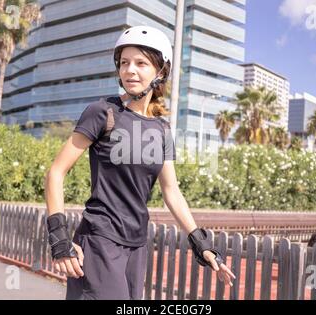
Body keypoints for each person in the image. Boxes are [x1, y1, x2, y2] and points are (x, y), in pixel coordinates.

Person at [44, 26, 235, 300]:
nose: (130, 70)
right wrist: (59, 240)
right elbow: (55, 173)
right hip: (100, 239)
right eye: (124, 63)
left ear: (160, 72)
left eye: (140, 63)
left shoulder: (161, 129)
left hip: (137, 244)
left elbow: (171, 191)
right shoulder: (102, 112)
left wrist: (201, 244)